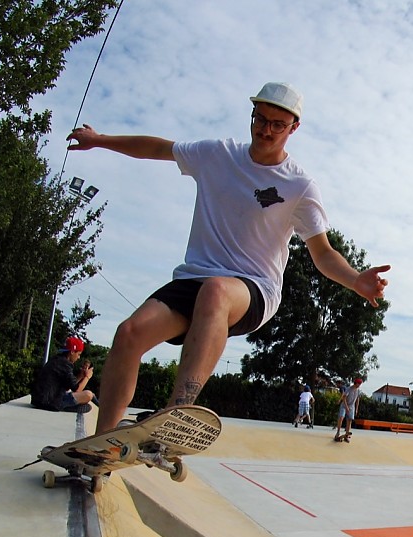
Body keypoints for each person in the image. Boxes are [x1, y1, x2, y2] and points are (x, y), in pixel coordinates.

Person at [66, 82, 391, 436]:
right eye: (260, 119)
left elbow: (323, 253)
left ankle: (177, 416)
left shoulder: (299, 186)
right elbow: (157, 148)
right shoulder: (216, 155)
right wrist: (100, 140)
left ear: (294, 128)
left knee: (217, 292)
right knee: (129, 334)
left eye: (277, 125)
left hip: (253, 289)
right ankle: (102, 445)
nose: (265, 130)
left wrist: (356, 279)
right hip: (194, 280)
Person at [31, 336, 97, 412]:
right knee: (89, 395)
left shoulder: (57, 360)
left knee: (88, 401)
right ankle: (64, 407)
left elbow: (70, 386)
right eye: (78, 354)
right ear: (72, 352)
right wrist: (87, 377)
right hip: (50, 402)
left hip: (39, 400)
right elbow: (77, 389)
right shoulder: (65, 364)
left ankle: (70, 406)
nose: (78, 357)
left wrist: (81, 376)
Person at [334, 377, 363, 441]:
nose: (359, 385)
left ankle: (346, 435)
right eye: (359, 384)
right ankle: (338, 432)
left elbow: (358, 399)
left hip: (352, 406)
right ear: (356, 383)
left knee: (350, 420)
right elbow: (344, 398)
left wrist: (356, 409)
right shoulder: (349, 389)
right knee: (341, 417)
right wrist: (346, 407)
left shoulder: (358, 390)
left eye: (360, 384)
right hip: (344, 405)